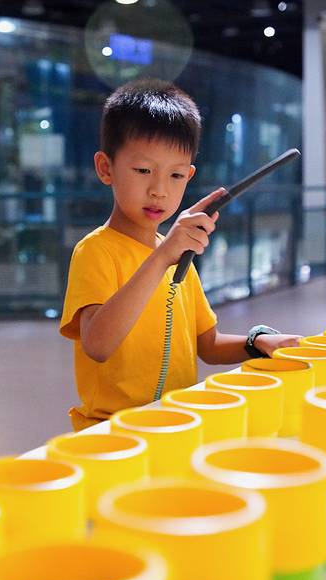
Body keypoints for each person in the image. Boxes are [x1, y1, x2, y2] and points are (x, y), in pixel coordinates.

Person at [60, 79, 300, 431]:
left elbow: (209, 345)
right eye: (143, 171)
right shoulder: (97, 251)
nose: (159, 190)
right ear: (106, 168)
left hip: (175, 426)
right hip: (114, 434)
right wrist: (162, 258)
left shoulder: (177, 253)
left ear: (189, 176)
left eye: (175, 175)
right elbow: (98, 344)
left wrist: (257, 341)